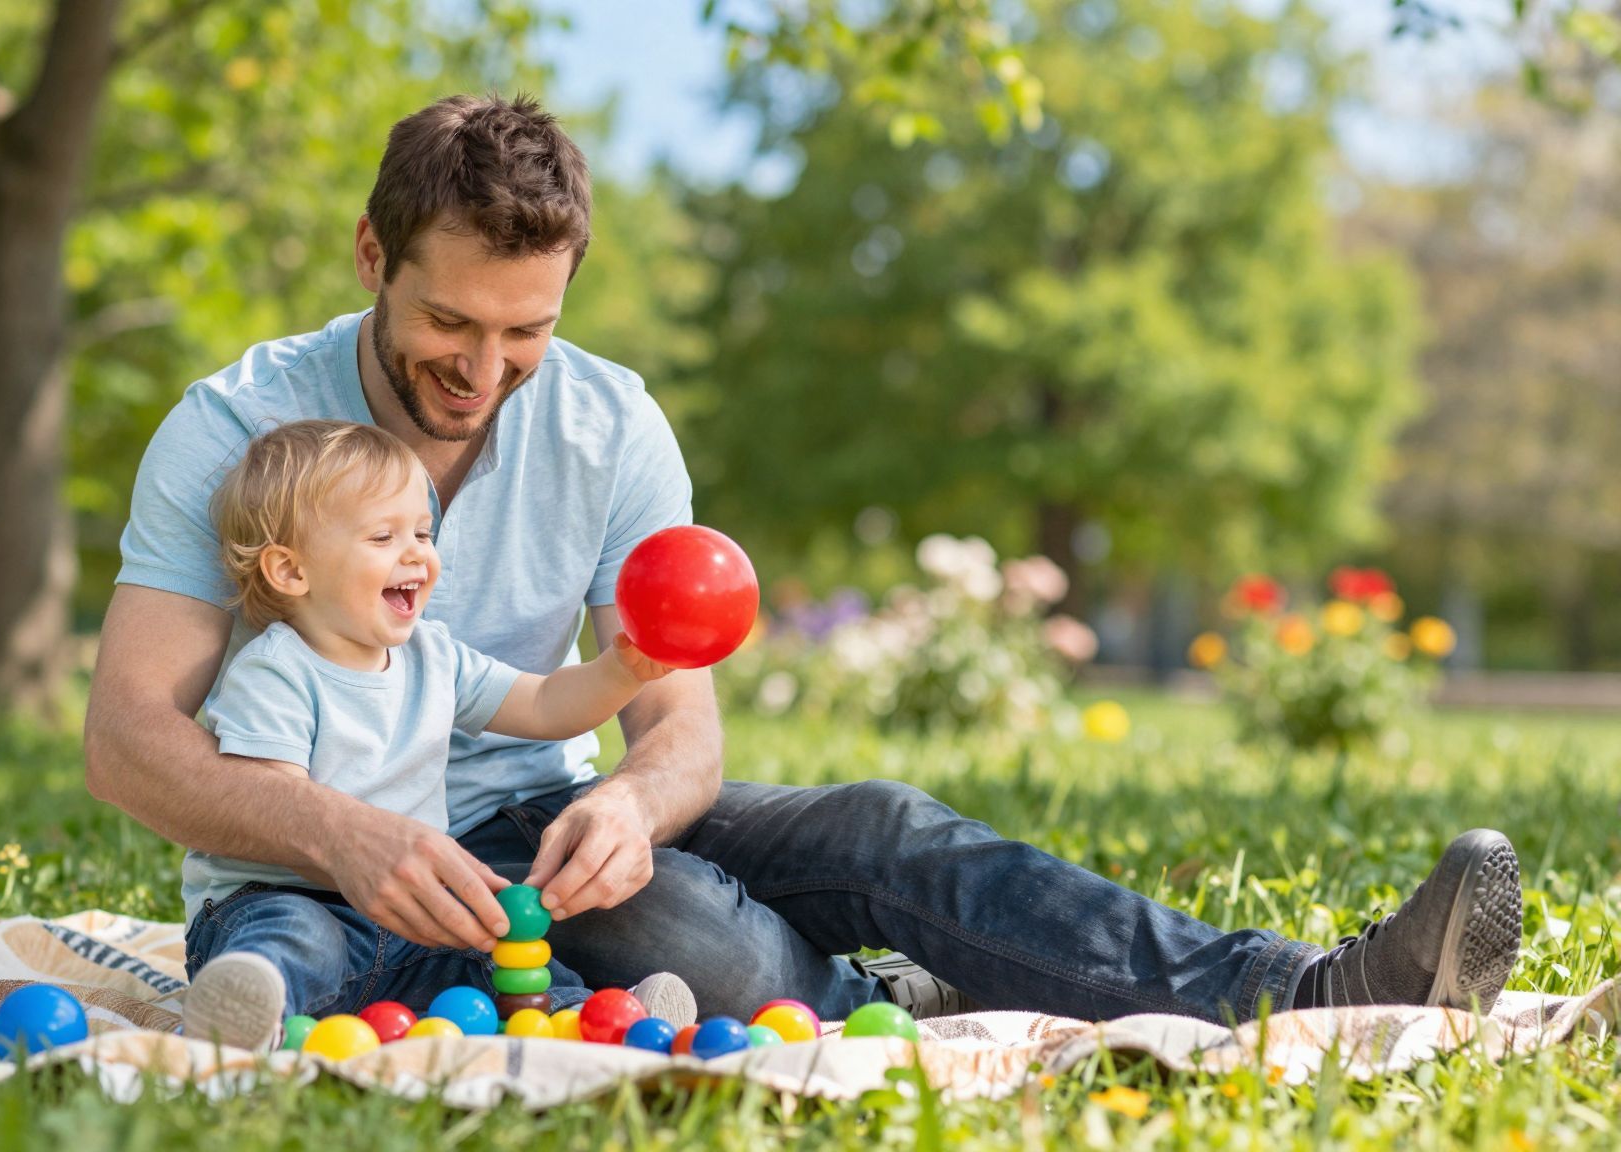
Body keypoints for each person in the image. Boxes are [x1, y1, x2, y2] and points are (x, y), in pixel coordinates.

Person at [87, 93, 1524, 1032]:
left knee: (880, 827)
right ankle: (878, 991)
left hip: (548, 820)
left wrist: (641, 802)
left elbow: (677, 722)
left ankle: (1314, 989)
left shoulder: (605, 421)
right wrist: (345, 836)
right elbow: (127, 741)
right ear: (369, 256)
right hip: (331, 872)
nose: (485, 369)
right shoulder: (237, 429)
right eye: (451, 326)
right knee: (687, 940)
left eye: (524, 330)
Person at [178, 418, 693, 1049]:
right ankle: (246, 1000)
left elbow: (545, 704)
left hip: (409, 911)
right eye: (383, 536)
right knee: (296, 938)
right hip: (286, 897)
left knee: (498, 941)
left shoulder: (434, 655)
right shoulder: (274, 672)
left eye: (423, 531)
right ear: (290, 570)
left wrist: (620, 669)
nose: (417, 552)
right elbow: (278, 804)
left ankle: (596, 1018)